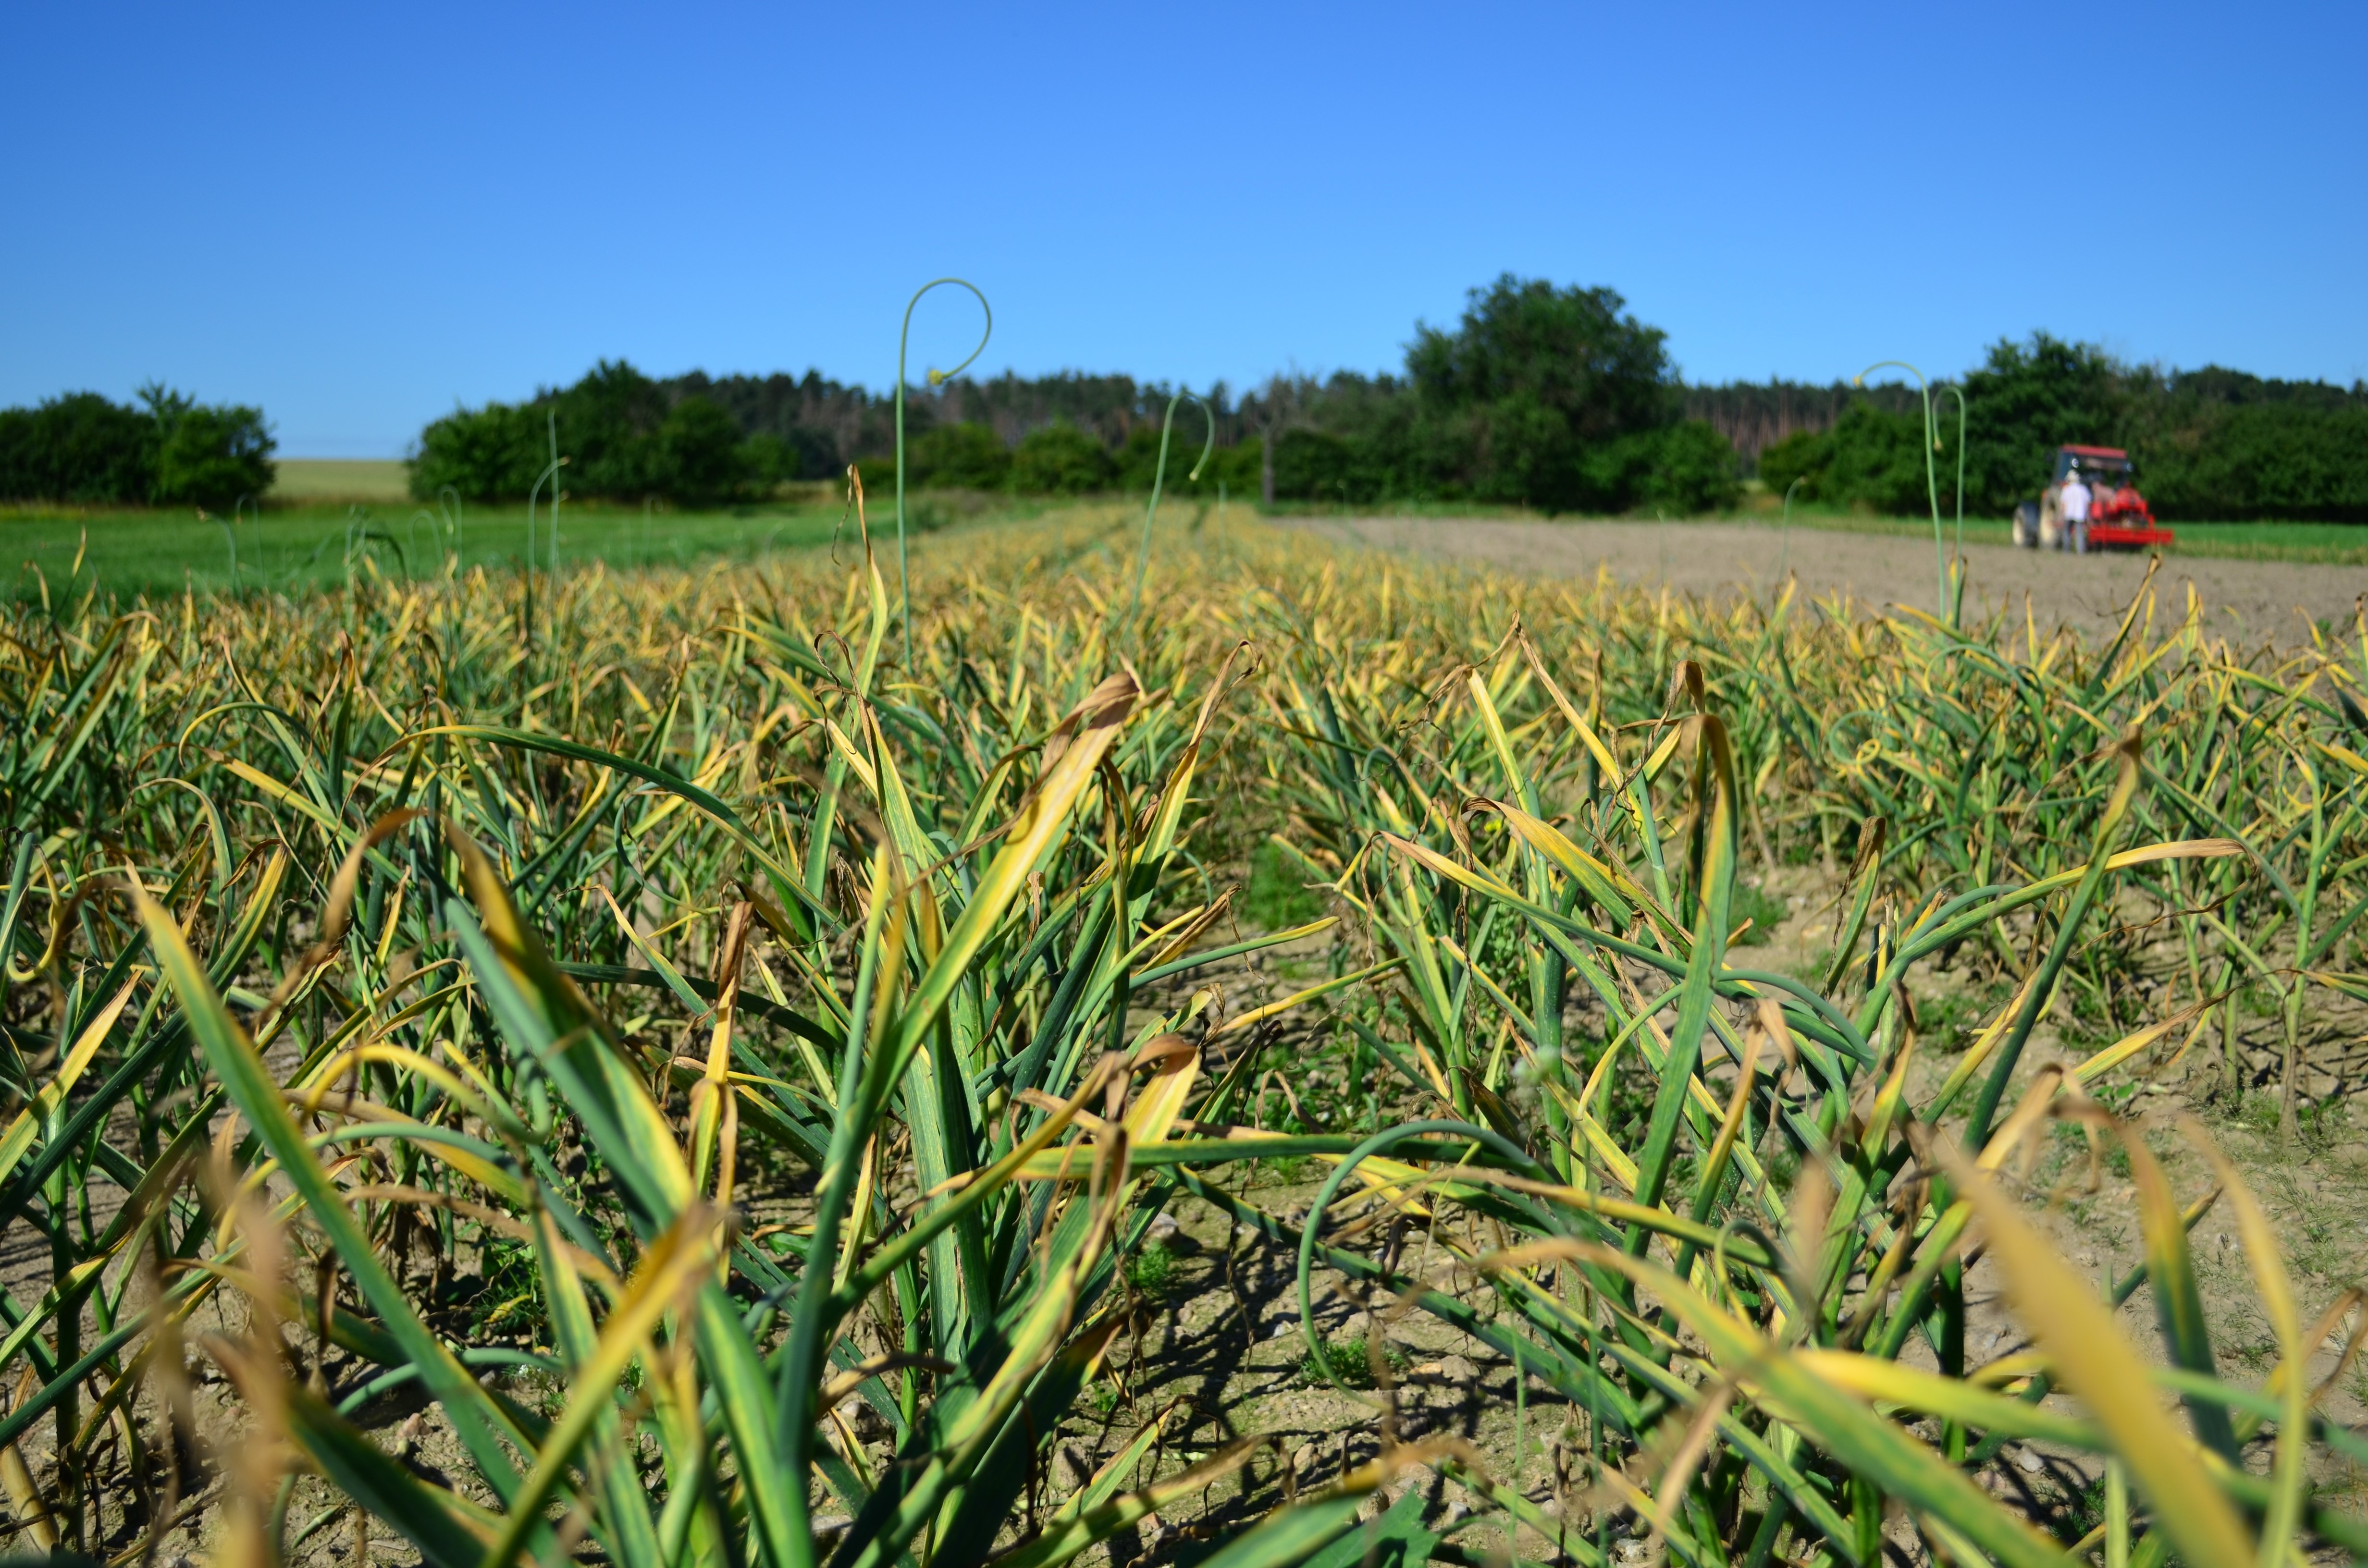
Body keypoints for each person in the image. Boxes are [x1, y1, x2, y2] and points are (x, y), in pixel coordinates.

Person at [2060, 467, 2092, 553]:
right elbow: (2088, 503)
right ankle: (2080, 551)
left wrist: (2061, 514)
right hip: (2079, 515)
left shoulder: (2066, 490)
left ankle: (2066, 551)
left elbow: (2063, 504)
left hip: (2068, 514)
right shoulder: (2084, 489)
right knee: (2079, 533)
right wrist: (2087, 515)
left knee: (2067, 533)